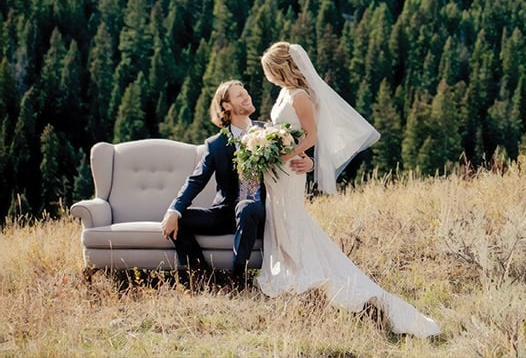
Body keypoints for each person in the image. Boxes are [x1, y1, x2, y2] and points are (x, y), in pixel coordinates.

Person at [257, 41, 441, 338]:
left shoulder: (301, 96)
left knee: (293, 218)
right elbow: (283, 132)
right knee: (280, 220)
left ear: (281, 68)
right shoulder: (284, 93)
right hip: (278, 170)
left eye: (270, 70)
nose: (268, 75)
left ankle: (304, 271)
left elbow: (311, 136)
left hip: (289, 171)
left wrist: (289, 156)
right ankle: (290, 268)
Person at [160, 79, 313, 286]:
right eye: (239, 95)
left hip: (260, 212)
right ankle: (203, 275)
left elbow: (297, 154)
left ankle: (237, 276)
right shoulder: (216, 145)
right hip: (224, 213)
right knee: (180, 219)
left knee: (247, 206)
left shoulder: (270, 131)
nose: (247, 96)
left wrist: (309, 163)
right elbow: (196, 180)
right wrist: (173, 211)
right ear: (226, 106)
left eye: (246, 92)